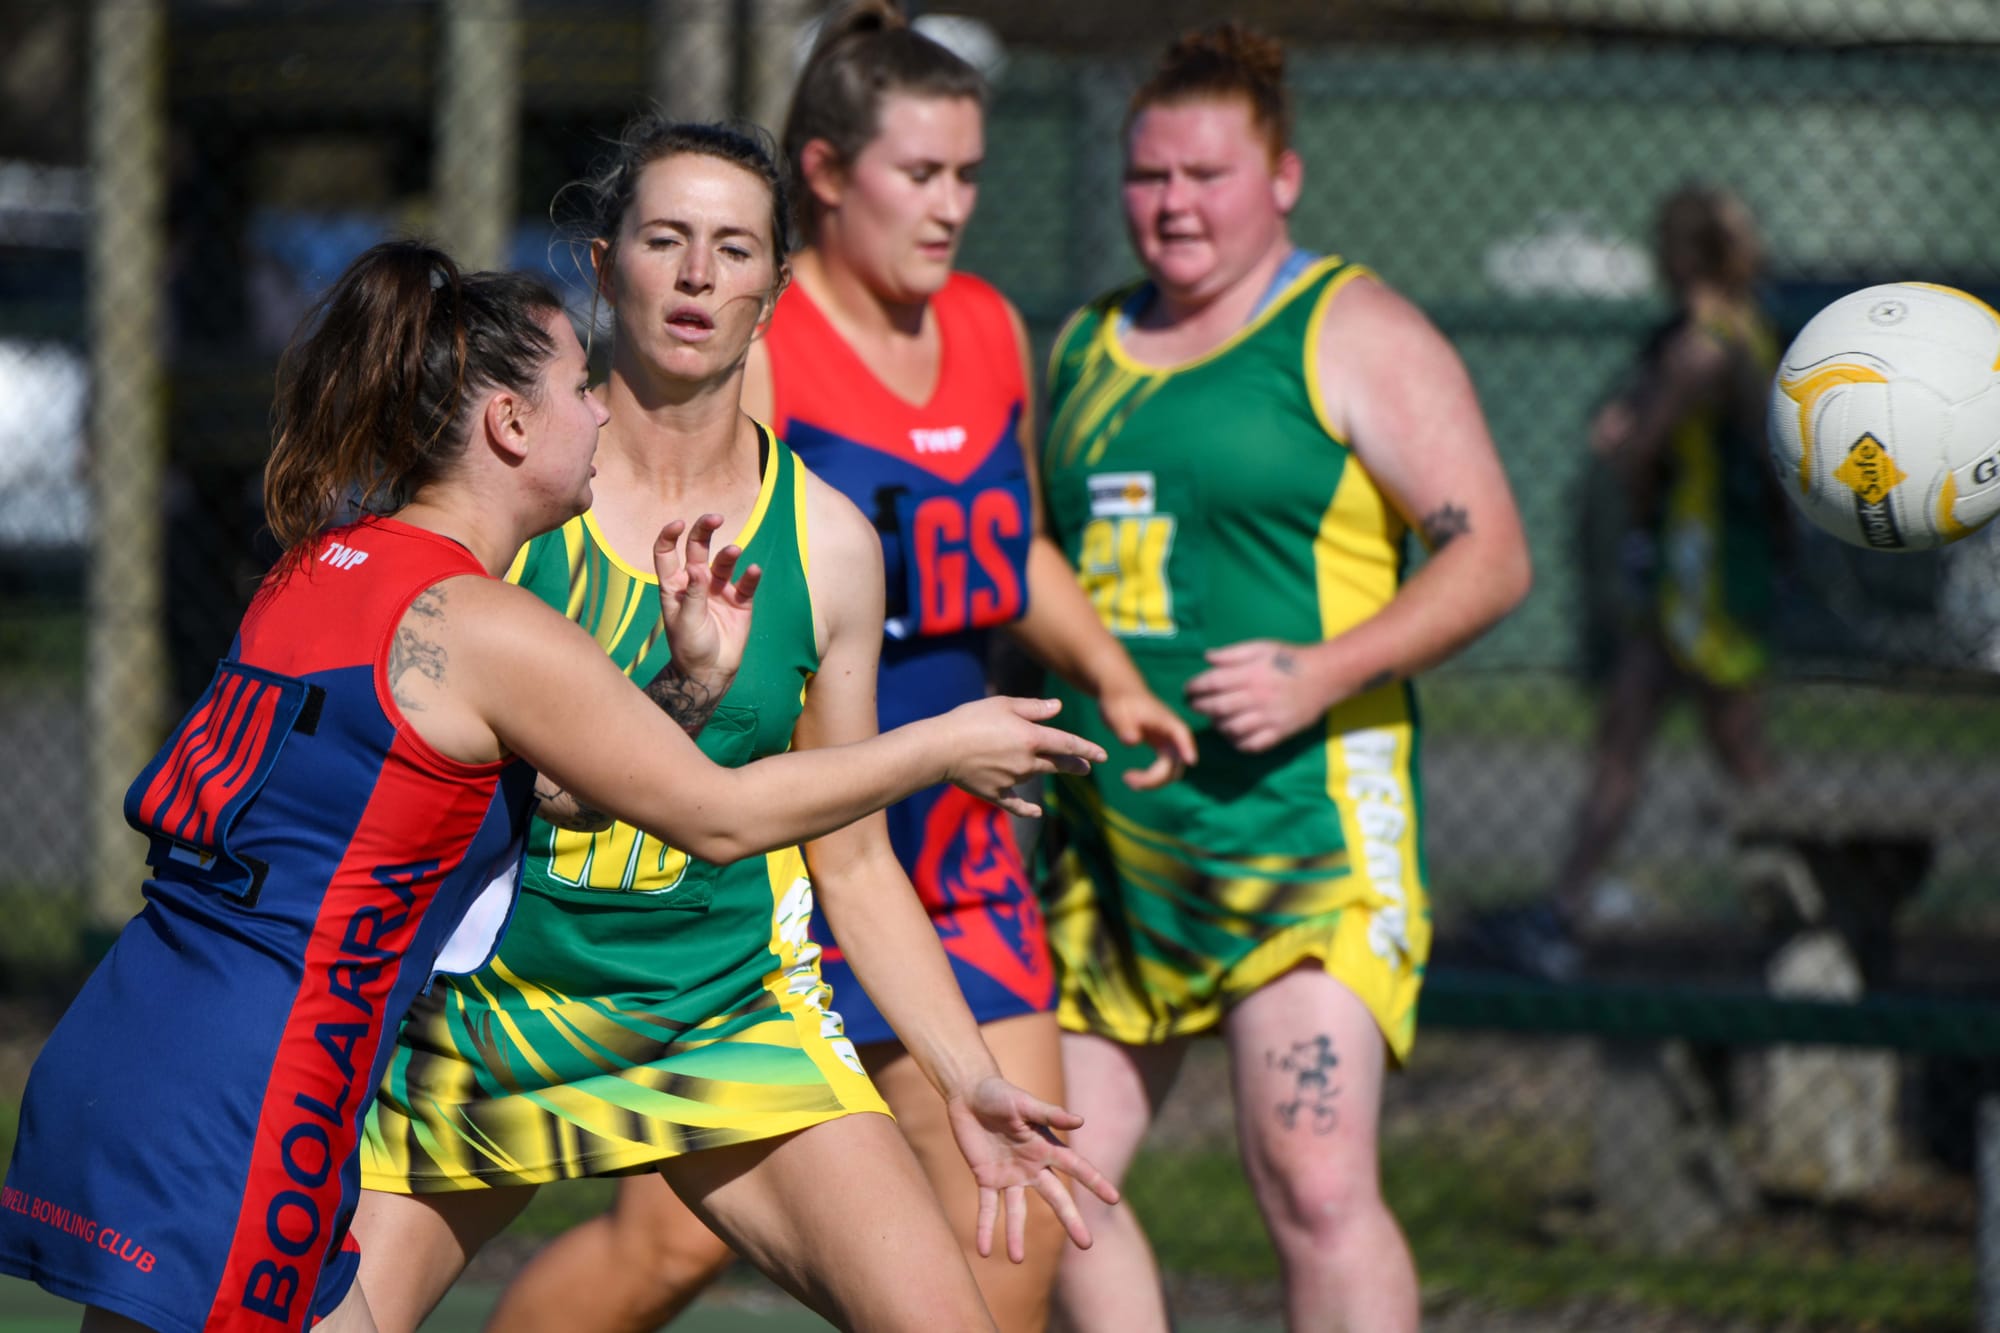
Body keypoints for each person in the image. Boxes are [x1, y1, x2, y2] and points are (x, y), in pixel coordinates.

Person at [0, 238, 1107, 1333]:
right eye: (577, 385)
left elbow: (555, 793)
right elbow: (717, 817)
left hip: (134, 1042)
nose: (599, 409)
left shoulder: (320, 564)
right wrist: (944, 741)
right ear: (509, 424)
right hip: (255, 1100)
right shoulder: (484, 623)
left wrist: (685, 684)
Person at [476, 13, 1196, 1333]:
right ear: (825, 176)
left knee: (1005, 1249)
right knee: (655, 1253)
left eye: (970, 176)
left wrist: (1106, 670)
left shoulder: (966, 351)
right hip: (647, 904)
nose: (952, 207)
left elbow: (1006, 542)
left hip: (892, 886)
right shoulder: (664, 411)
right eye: (921, 173)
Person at [1034, 25, 1533, 1332]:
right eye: (1149, 176)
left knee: (1313, 1182)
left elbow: (1492, 557)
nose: (1174, 204)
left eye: (1207, 174)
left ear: (1286, 179)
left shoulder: (1350, 326)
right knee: (1051, 1178)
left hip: (1301, 833)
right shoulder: (1085, 345)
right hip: (1123, 849)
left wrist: (1324, 669)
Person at [1490, 184, 1782, 982]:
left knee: (1732, 753)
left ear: (1682, 256)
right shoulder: (1737, 331)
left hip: (1702, 573)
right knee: (1655, 739)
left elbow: (1639, 450)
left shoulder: (1707, 345)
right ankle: (1569, 906)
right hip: (1702, 572)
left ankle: (1801, 911)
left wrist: (1626, 436)